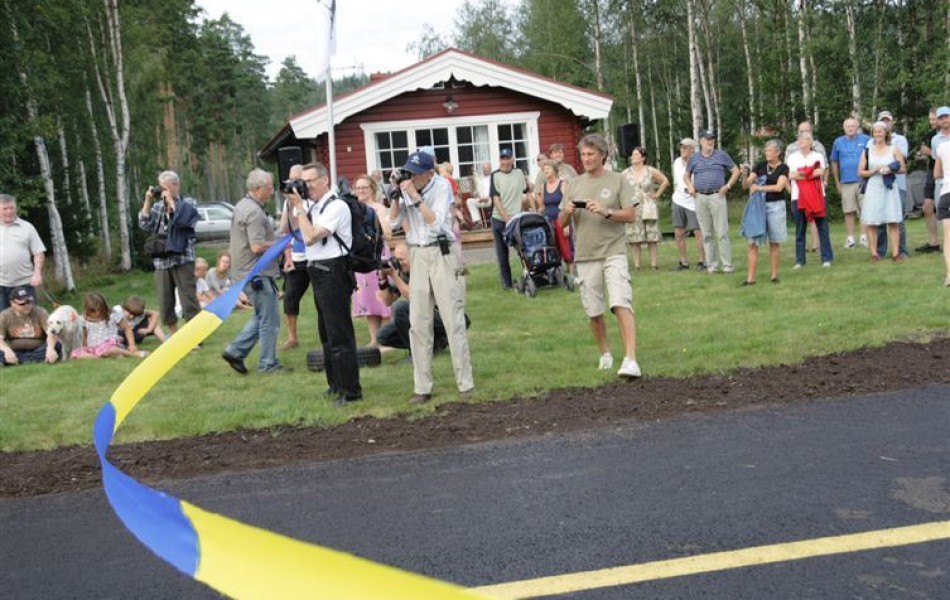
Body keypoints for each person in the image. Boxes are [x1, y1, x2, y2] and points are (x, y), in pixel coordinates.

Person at [388, 150, 474, 404]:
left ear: (428, 173)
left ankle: (465, 383)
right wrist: (395, 196)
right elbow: (392, 224)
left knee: (452, 319)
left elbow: (435, 223)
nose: (411, 178)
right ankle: (422, 387)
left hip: (442, 252)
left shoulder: (442, 186)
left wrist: (415, 198)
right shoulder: (407, 188)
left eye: (415, 174)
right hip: (417, 254)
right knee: (418, 323)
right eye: (409, 173)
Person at [560, 133, 641, 378]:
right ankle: (605, 353)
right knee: (594, 312)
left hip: (613, 251)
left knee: (620, 302)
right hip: (585, 255)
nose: (586, 158)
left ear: (603, 155)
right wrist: (568, 211)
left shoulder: (618, 180)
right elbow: (561, 224)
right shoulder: (574, 184)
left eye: (591, 154)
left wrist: (606, 211)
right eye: (583, 154)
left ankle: (630, 359)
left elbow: (631, 215)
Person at [289, 162, 362, 405]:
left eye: (310, 181)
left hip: (334, 270)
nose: (306, 186)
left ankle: (350, 391)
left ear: (325, 180)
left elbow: (310, 237)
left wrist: (300, 208)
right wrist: (297, 205)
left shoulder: (336, 206)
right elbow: (294, 231)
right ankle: (335, 385)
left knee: (340, 334)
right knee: (326, 334)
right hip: (318, 270)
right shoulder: (314, 205)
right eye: (304, 182)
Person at [221, 169, 289, 375]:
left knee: (262, 315)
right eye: (269, 188)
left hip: (244, 271)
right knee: (270, 320)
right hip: (255, 273)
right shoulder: (255, 213)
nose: (272, 192)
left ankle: (235, 352)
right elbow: (257, 246)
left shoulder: (242, 205)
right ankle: (267, 364)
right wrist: (282, 243)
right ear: (258, 189)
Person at [376, 242, 469, 354]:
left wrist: (394, 276)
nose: (399, 263)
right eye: (396, 259)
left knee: (400, 308)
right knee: (383, 336)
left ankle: (418, 353)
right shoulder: (403, 272)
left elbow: (415, 297)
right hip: (428, 315)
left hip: (451, 317)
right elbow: (388, 301)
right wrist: (382, 279)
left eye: (402, 259)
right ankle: (435, 343)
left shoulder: (425, 268)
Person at [138, 170, 200, 334]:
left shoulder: (189, 203)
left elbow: (185, 221)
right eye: (160, 187)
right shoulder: (158, 206)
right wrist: (148, 201)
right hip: (162, 260)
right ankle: (174, 334)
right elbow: (144, 225)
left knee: (188, 299)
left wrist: (172, 202)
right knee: (165, 300)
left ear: (176, 185)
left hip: (183, 258)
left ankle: (195, 335)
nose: (162, 191)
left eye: (165, 187)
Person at [685, 129, 741, 274]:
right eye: (707, 139)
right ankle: (712, 265)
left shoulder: (722, 155)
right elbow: (686, 175)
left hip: (717, 196)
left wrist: (727, 186)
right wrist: (690, 186)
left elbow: (736, 171)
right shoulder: (694, 158)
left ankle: (727, 265)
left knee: (722, 232)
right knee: (706, 233)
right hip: (700, 196)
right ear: (701, 141)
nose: (710, 142)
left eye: (712, 139)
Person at [350, 174, 393, 347]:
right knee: (367, 297)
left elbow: (387, 233)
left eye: (364, 187)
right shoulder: (353, 209)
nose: (360, 190)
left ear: (372, 190)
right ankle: (374, 339)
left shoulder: (378, 208)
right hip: (360, 258)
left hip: (377, 255)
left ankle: (386, 339)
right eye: (358, 187)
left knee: (382, 296)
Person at [740, 139, 789, 285]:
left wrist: (759, 188)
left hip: (776, 206)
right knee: (752, 242)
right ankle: (750, 279)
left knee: (774, 242)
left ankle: (774, 276)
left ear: (778, 152)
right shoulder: (760, 166)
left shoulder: (783, 168)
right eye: (766, 150)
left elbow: (779, 187)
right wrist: (744, 174)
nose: (766, 152)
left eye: (769, 150)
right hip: (758, 207)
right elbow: (746, 185)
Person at [859, 121, 906, 262]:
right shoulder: (867, 151)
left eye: (880, 131)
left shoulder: (894, 149)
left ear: (886, 133)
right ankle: (874, 253)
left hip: (889, 188)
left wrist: (890, 169)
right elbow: (860, 171)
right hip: (873, 187)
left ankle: (896, 253)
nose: (878, 134)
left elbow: (903, 168)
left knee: (893, 220)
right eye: (875, 131)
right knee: (872, 221)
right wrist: (874, 170)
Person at [788, 131, 834, 268]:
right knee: (800, 229)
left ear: (810, 142)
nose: (800, 141)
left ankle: (826, 258)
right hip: (798, 196)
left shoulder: (817, 156)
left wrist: (802, 173)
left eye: (803, 139)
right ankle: (800, 261)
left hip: (817, 195)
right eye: (799, 139)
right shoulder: (792, 157)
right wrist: (809, 173)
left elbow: (820, 172)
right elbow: (791, 175)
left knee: (822, 227)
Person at [278, 164, 310, 348]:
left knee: (323, 298)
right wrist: (288, 256)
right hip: (296, 256)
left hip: (315, 255)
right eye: (290, 179)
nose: (292, 183)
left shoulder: (313, 199)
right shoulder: (288, 202)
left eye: (296, 180)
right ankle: (292, 338)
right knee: (290, 297)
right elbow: (284, 231)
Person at [622, 146, 669, 270]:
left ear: (643, 158)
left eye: (636, 154)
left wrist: (657, 194)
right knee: (635, 237)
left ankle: (654, 264)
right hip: (633, 206)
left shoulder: (650, 171)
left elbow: (665, 181)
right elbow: (620, 187)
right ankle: (637, 265)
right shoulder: (626, 173)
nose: (633, 157)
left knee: (651, 236)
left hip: (648, 205)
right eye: (632, 154)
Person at [489, 148, 529, 290]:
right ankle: (507, 283)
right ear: (500, 160)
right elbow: (496, 199)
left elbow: (527, 192)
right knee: (502, 253)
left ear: (513, 159)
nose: (505, 162)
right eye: (503, 159)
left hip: (517, 218)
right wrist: (506, 218)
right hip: (499, 219)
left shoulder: (519, 173)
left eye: (508, 158)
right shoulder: (495, 175)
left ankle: (529, 275)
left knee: (523, 249)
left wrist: (533, 211)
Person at [830, 117, 871, 248]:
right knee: (848, 210)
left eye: (853, 126)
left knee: (865, 209)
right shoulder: (838, 142)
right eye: (848, 126)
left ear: (857, 127)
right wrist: (837, 181)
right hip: (846, 181)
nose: (850, 128)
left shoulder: (866, 140)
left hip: (863, 180)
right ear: (844, 128)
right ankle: (850, 239)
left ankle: (864, 237)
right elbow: (834, 162)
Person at [0, 194, 46, 311]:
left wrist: (37, 273)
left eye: (12, 208)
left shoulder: (27, 227)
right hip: (1, 285)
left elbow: (38, 252)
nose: (9, 212)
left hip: (25, 283)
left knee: (30, 317)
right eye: (5, 209)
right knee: (3, 319)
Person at [70, 292, 146, 360]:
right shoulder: (85, 319)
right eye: (93, 311)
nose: (97, 313)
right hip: (93, 348)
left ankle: (132, 354)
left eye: (100, 310)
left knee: (111, 350)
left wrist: (132, 345)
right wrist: (85, 348)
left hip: (109, 345)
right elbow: (85, 335)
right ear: (88, 310)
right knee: (75, 354)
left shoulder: (113, 315)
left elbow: (127, 329)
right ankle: (99, 358)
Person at [874, 112, 909, 258]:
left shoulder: (900, 140)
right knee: (880, 219)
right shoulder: (872, 142)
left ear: (892, 122)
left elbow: (901, 161)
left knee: (897, 219)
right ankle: (880, 251)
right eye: (882, 121)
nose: (885, 123)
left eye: (887, 121)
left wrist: (886, 168)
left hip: (898, 185)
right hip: (878, 186)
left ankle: (902, 250)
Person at [0, 286, 60, 365]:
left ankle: (18, 361)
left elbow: (51, 333)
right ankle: (30, 359)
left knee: (56, 345)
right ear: (12, 303)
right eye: (22, 304)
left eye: (29, 302)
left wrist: (50, 348)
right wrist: (6, 350)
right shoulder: (4, 315)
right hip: (15, 350)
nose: (27, 305)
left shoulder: (40, 312)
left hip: (38, 349)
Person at [670, 138, 706, 270]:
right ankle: (683, 261)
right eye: (681, 147)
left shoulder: (698, 162)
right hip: (678, 199)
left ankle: (702, 260)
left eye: (685, 147)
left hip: (693, 200)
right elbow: (677, 181)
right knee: (679, 232)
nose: (683, 150)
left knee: (698, 232)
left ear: (692, 149)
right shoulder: (677, 162)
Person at [538, 159, 575, 275]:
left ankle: (572, 275)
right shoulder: (543, 186)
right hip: (549, 222)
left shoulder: (562, 184)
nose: (546, 171)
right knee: (553, 248)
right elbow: (543, 206)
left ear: (554, 170)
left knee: (566, 248)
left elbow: (567, 203)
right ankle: (558, 275)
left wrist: (566, 224)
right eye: (544, 169)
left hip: (561, 220)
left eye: (548, 168)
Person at [917, 107, 943, 253]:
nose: (932, 122)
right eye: (930, 120)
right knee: (927, 207)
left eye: (934, 119)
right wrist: (921, 154)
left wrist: (930, 152)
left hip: (946, 173)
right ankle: (934, 243)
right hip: (932, 172)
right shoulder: (930, 135)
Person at [933, 127, 950, 285]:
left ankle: (949, 275)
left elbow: (936, 174)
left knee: (948, 237)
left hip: (947, 193)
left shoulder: (942, 147)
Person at [465, 161, 493, 228]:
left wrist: (487, 198)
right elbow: (475, 193)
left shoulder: (493, 178)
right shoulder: (480, 179)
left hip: (491, 199)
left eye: (486, 168)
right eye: (484, 168)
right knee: (469, 201)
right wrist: (472, 185)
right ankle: (478, 222)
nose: (485, 169)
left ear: (490, 169)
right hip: (481, 199)